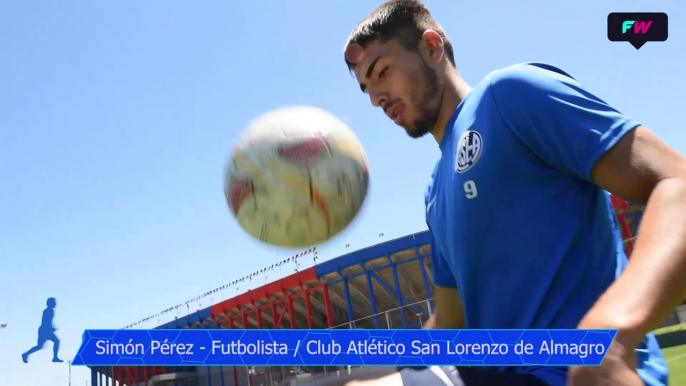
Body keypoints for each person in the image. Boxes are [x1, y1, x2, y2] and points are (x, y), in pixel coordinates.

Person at [335, 0, 686, 385]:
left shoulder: (510, 95)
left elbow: (676, 182)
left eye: (382, 72)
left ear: (431, 48)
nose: (376, 98)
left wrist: (614, 330)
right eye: (367, 89)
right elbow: (451, 326)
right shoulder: (435, 193)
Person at [22, 297, 63, 363]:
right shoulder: (48, 311)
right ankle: (55, 358)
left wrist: (51, 328)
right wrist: (50, 329)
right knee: (56, 341)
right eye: (54, 302)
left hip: (45, 330)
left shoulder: (49, 310)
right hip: (45, 330)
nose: (56, 303)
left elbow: (49, 321)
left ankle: (26, 354)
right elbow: (46, 322)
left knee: (40, 346)